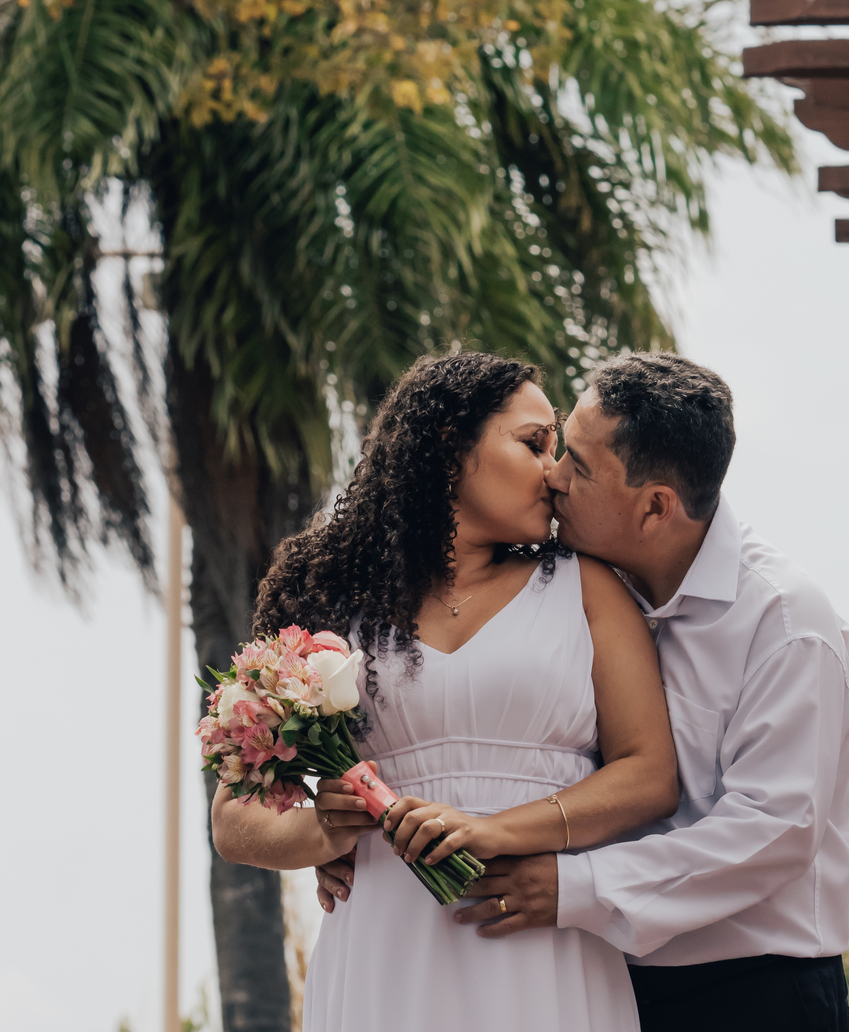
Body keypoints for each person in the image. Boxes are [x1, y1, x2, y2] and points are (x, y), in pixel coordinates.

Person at [317, 351, 849, 1032]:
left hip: (750, 991)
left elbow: (775, 830)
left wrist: (570, 885)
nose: (553, 476)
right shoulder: (583, 586)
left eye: (575, 463)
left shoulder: (785, 623)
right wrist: (342, 836)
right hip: (607, 977)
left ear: (654, 507)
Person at [211, 352, 679, 1032]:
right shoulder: (331, 611)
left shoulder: (590, 590)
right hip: (383, 948)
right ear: (450, 444)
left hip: (539, 937)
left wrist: (497, 831)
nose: (554, 472)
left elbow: (649, 776)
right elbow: (234, 820)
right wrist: (321, 830)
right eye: (534, 443)